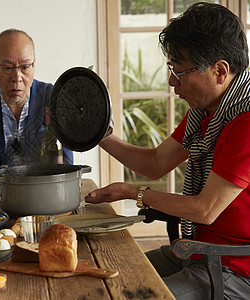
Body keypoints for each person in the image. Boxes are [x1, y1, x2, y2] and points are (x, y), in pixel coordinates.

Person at [85, 3, 250, 299]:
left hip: (234, 266)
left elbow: (205, 209)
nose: (173, 82)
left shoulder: (246, 123)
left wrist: (131, 191)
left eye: (179, 70)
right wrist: (97, 133)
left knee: (121, 295)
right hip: (197, 251)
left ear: (220, 71)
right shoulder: (206, 112)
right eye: (171, 68)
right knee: (105, 275)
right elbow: (155, 162)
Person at [0, 29, 73, 182]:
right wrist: (14, 174)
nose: (17, 78)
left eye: (25, 67)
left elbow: (66, 165)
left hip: (46, 199)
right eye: (8, 68)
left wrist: (3, 174)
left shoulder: (53, 98)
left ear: (33, 66)